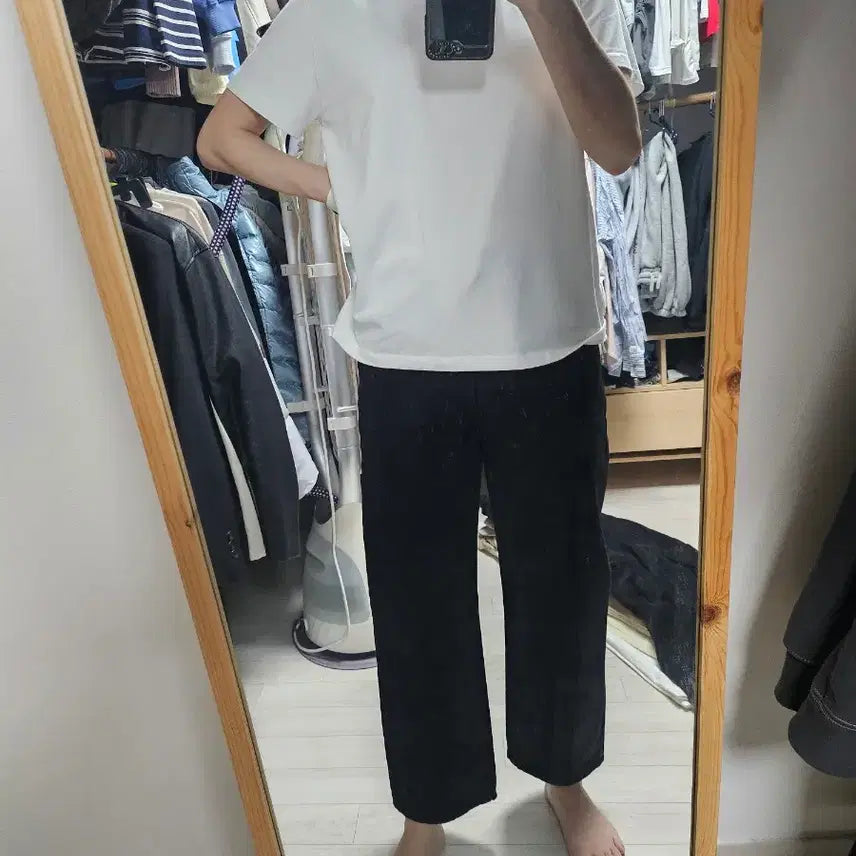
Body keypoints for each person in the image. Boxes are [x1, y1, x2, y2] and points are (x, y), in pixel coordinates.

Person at [198, 1, 641, 854]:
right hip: (405, 356)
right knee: (417, 604)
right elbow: (222, 138)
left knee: (562, 592)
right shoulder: (332, 11)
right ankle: (425, 814)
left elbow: (619, 147)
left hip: (549, 344)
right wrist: (337, 185)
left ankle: (564, 781)